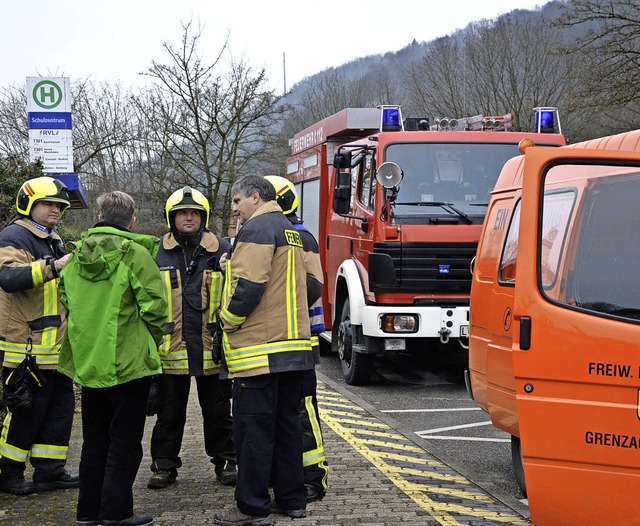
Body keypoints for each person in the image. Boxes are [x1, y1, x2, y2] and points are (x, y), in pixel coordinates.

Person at [57, 191, 167, 526]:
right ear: (132, 221)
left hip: (90, 364)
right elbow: (155, 309)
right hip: (128, 365)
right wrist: (151, 342)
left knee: (94, 443)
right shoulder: (135, 254)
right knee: (125, 443)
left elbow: (67, 301)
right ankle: (116, 514)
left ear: (101, 216)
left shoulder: (75, 257)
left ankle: (87, 513)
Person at [213, 175, 314, 526]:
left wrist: (224, 320)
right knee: (287, 428)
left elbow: (250, 287)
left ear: (255, 197)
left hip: (260, 353)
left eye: (238, 201)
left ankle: (251, 508)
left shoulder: (256, 230)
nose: (236, 209)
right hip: (293, 350)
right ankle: (292, 499)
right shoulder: (288, 229)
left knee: (252, 433)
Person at [147, 186, 236, 490]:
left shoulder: (222, 249)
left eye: (194, 213)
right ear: (171, 218)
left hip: (212, 349)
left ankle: (226, 462)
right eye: (182, 213)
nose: (188, 218)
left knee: (219, 413)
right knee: (169, 414)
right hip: (170, 351)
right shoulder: (155, 252)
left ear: (204, 217)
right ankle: (163, 466)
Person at [0, 176, 79, 495]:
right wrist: (53, 267)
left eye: (60, 206)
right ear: (28, 204)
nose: (56, 210)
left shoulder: (53, 238)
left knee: (58, 413)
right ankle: (8, 474)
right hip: (25, 346)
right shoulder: (14, 235)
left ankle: (49, 472)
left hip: (55, 348)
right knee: (24, 414)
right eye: (48, 204)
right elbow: (7, 277)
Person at [264, 176, 328, 502]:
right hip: (285, 339)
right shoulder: (275, 235)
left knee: (302, 410)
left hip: (301, 339)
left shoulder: (301, 238)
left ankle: (314, 476)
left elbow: (313, 287)